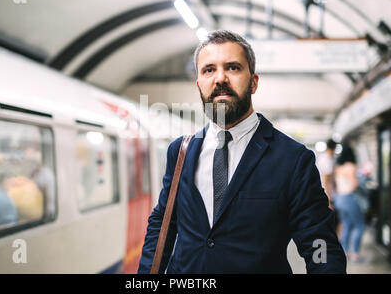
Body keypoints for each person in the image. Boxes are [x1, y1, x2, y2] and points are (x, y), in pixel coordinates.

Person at [138, 30, 346, 273]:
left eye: (233, 68)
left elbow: (319, 242)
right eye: (209, 70)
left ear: (254, 82)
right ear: (199, 85)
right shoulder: (181, 152)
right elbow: (162, 224)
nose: (220, 78)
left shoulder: (292, 159)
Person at [333, 144, 365, 263]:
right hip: (349, 198)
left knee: (346, 224)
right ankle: (355, 253)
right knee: (359, 226)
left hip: (339, 198)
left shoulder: (338, 167)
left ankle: (345, 251)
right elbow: (354, 184)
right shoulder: (351, 166)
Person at [316, 139, 337, 207]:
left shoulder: (323, 157)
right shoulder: (327, 159)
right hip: (326, 193)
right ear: (334, 148)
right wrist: (328, 199)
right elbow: (326, 180)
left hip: (325, 192)